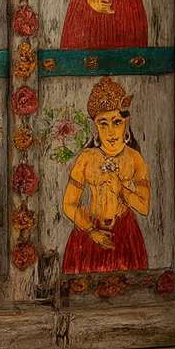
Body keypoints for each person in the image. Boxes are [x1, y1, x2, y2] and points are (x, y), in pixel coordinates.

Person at [62, 77, 150, 273]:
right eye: (103, 124)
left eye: (116, 122)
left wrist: (122, 190)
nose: (111, 132)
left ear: (125, 122)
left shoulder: (135, 158)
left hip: (125, 233)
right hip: (90, 231)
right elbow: (69, 204)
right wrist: (92, 232)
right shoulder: (86, 158)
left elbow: (143, 207)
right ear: (95, 126)